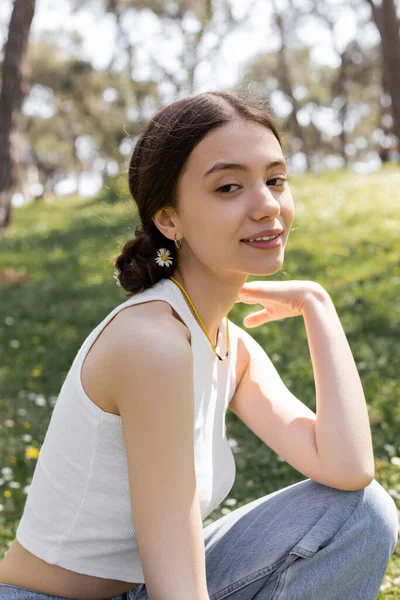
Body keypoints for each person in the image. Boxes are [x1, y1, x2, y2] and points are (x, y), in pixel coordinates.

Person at [0, 90, 398, 600]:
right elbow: (178, 591)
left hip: (142, 590)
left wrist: (318, 305)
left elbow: (349, 470)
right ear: (169, 220)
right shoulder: (150, 343)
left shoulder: (228, 346)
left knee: (361, 514)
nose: (266, 206)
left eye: (275, 180)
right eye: (229, 187)